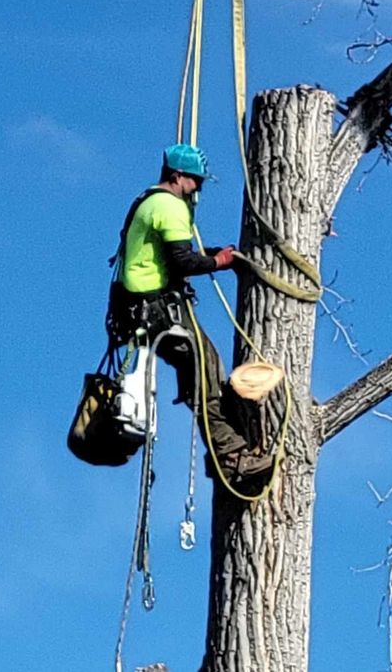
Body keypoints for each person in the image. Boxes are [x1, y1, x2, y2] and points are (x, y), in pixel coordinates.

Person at [107, 143, 272, 484]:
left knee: (201, 371)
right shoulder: (170, 205)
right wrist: (218, 262)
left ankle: (224, 451)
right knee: (206, 372)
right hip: (156, 311)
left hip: (140, 311)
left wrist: (209, 256)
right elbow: (182, 261)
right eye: (195, 181)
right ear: (177, 175)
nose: (198, 189)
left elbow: (169, 256)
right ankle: (230, 457)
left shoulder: (148, 200)